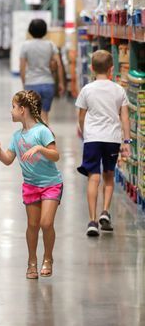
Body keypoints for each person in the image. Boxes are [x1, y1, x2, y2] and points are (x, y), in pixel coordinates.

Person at [0, 90, 63, 279]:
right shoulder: (16, 136)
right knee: (32, 225)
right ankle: (32, 262)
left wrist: (39, 148)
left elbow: (56, 155)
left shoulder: (42, 131)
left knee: (46, 223)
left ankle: (48, 258)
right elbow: (8, 160)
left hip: (50, 184)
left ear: (23, 110)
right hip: (31, 185)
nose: (11, 111)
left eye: (13, 107)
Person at [75, 50, 131, 237]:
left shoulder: (87, 90)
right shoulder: (119, 90)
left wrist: (84, 132)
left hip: (92, 138)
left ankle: (92, 221)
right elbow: (124, 117)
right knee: (108, 176)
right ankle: (105, 211)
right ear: (111, 69)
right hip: (112, 139)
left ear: (91, 68)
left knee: (94, 177)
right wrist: (126, 141)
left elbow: (81, 117)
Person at [19, 18, 65, 124]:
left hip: (31, 84)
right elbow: (58, 65)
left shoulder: (25, 46)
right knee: (44, 116)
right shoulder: (50, 45)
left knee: (32, 118)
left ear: (30, 30)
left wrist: (24, 84)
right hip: (48, 83)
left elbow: (22, 68)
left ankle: (35, 140)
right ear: (45, 31)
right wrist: (61, 83)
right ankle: (45, 139)